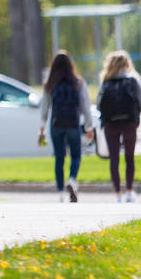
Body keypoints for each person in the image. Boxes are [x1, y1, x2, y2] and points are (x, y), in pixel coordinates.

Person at [38, 50, 95, 202]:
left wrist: (42, 128)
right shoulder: (78, 82)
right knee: (76, 155)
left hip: (56, 124)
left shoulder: (50, 84)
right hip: (73, 123)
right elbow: (85, 106)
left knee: (59, 157)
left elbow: (44, 108)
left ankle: (61, 192)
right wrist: (89, 127)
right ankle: (72, 180)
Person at [95, 50, 141, 202]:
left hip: (110, 123)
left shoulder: (106, 81)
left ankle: (118, 193)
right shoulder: (132, 80)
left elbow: (99, 104)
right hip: (129, 122)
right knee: (129, 157)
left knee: (114, 159)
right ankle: (130, 191)